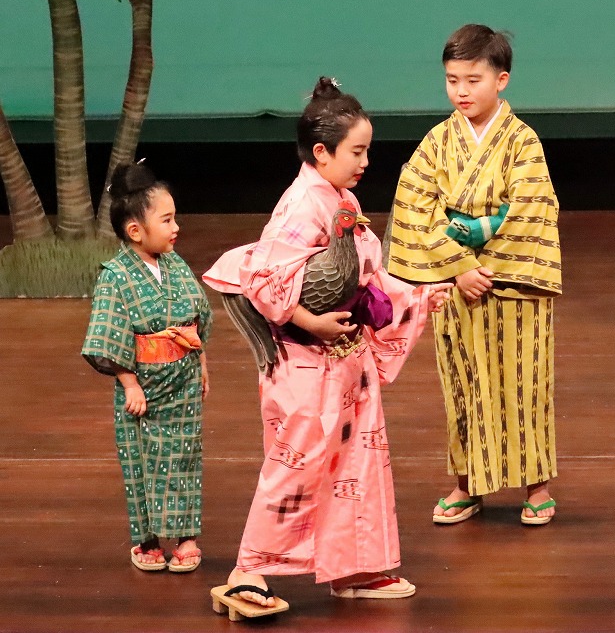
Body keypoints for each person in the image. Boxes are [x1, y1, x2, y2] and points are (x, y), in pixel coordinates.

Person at [203, 77, 451, 617]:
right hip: (304, 362)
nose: (365, 161)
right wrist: (308, 320)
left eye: (367, 150)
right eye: (356, 151)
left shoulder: (342, 198)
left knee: (356, 462)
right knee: (296, 463)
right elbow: (264, 280)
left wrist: (428, 295)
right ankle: (248, 570)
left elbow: (371, 276)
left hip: (346, 362)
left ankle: (353, 567)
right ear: (322, 151)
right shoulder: (300, 205)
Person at [386, 25, 562, 526]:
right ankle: (465, 484)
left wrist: (485, 258)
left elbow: (532, 208)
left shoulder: (521, 141)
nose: (461, 92)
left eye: (473, 80)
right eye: (452, 80)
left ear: (501, 80)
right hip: (456, 284)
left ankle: (537, 485)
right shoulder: (438, 143)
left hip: (513, 285)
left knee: (524, 384)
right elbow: (414, 207)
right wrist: (460, 266)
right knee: (462, 385)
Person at [82, 161, 211, 573]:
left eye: (175, 218)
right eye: (167, 220)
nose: (176, 228)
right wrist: (129, 383)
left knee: (184, 456)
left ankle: (186, 537)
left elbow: (196, 317)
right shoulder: (115, 276)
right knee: (140, 462)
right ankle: (148, 540)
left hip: (184, 380)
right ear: (135, 230)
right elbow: (110, 332)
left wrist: (202, 361)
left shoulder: (175, 264)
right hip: (143, 387)